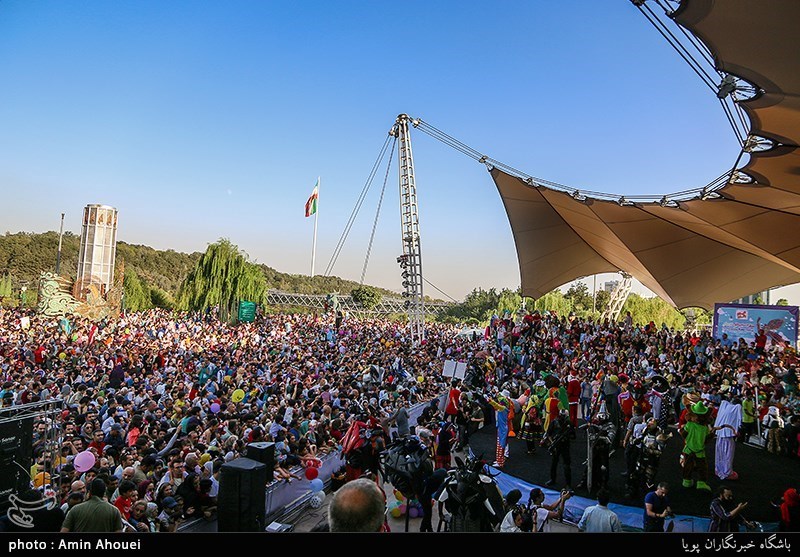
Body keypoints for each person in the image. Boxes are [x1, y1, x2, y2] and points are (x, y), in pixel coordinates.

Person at [544, 410, 574, 488]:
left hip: (565, 446)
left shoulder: (569, 424)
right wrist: (552, 443)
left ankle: (568, 484)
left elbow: (573, 436)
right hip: (556, 446)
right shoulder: (554, 422)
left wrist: (566, 437)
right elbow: (548, 434)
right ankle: (552, 479)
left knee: (566, 465)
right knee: (554, 464)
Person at [714, 399, 741, 480]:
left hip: (720, 433)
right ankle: (727, 472)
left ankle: (718, 469)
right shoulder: (737, 408)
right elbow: (739, 420)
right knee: (728, 454)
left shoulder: (724, 406)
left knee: (719, 452)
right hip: (728, 434)